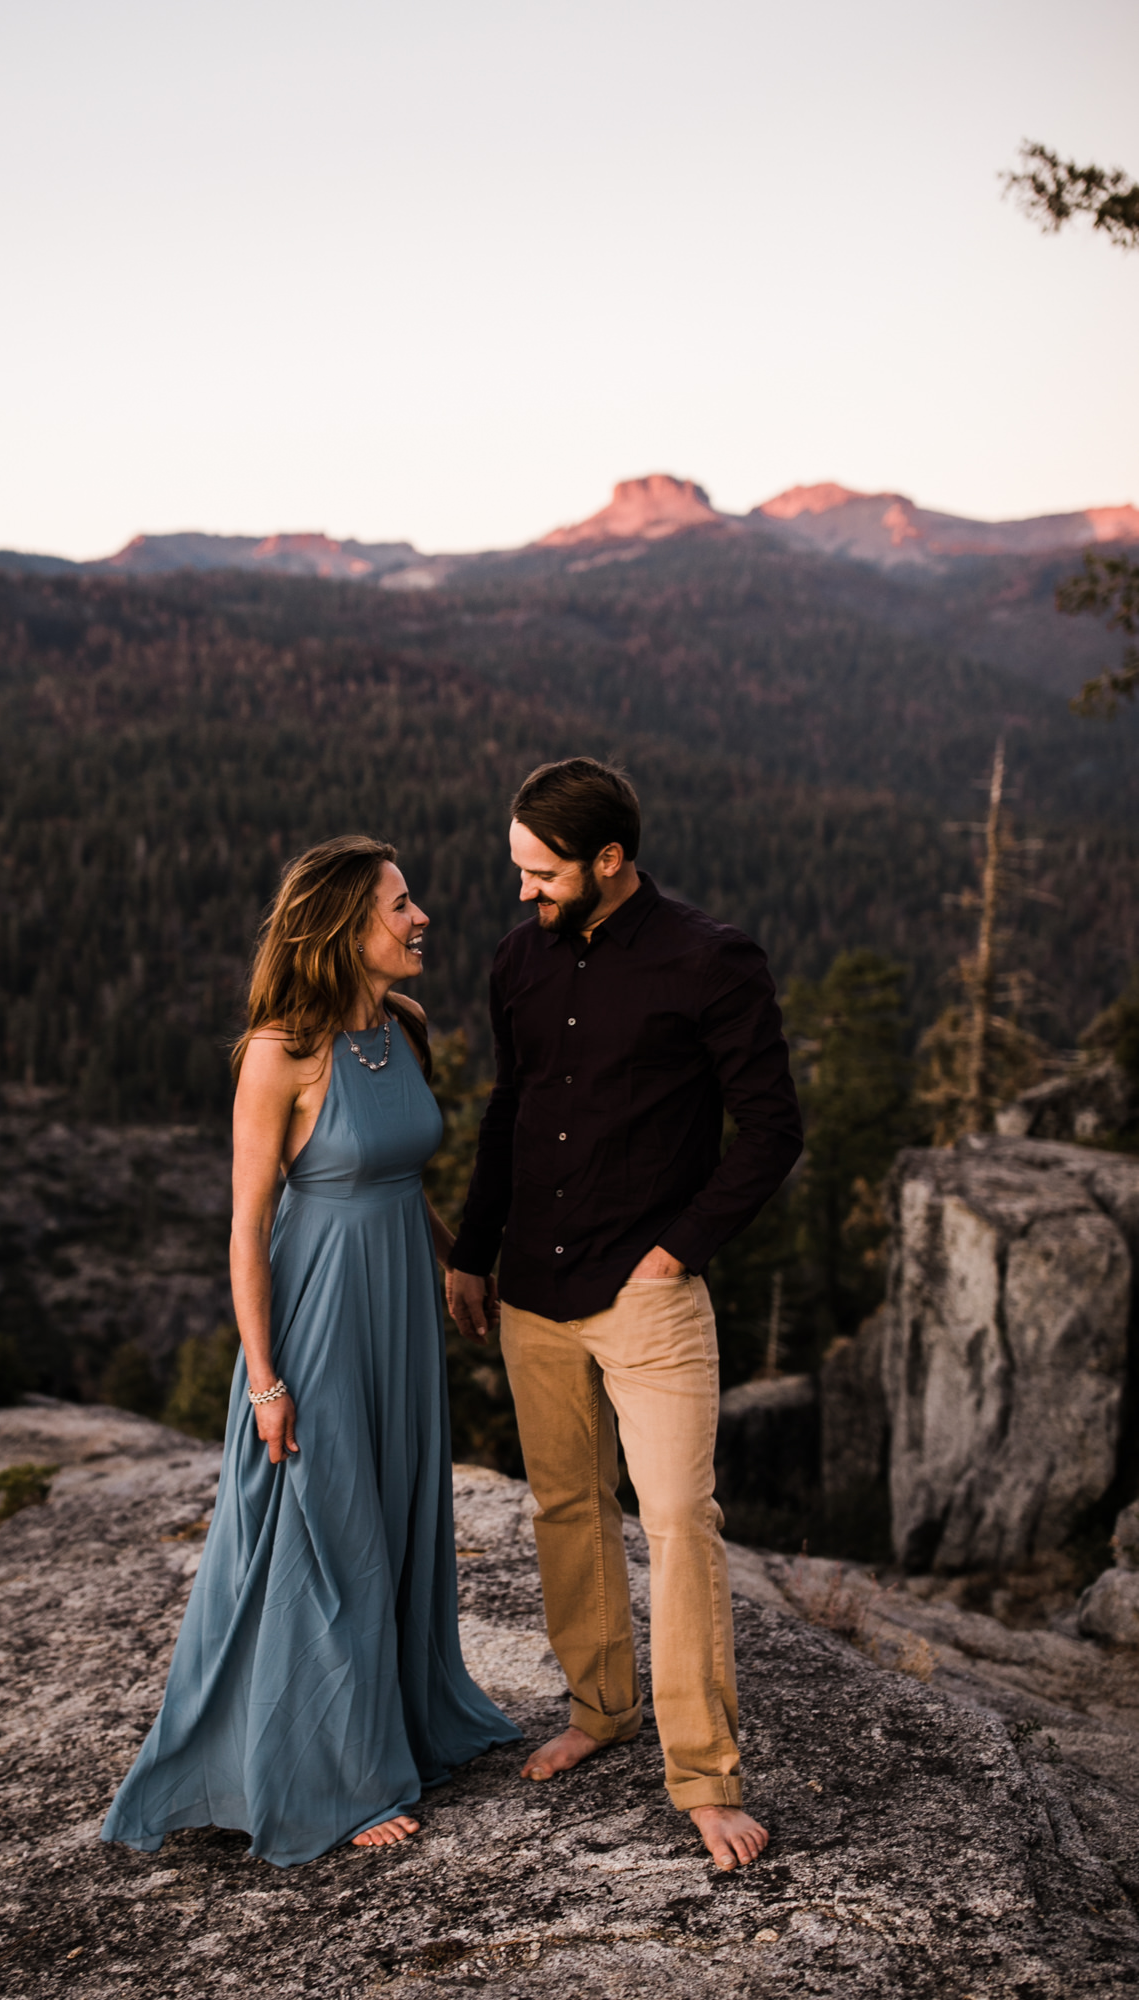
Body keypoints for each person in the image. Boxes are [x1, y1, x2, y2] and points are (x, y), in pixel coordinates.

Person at [102, 835, 519, 1867]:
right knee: (330, 1535)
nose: (420, 916)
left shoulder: (404, 1025)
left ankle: (402, 1722)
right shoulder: (276, 1051)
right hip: (318, 1314)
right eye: (400, 903)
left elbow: (394, 1177)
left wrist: (458, 1263)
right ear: (344, 927)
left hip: (400, 1312)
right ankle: (330, 1772)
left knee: (397, 1510)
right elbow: (246, 1226)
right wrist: (266, 1379)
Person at [446, 759, 803, 1873]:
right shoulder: (518, 956)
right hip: (533, 1292)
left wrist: (673, 1251)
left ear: (609, 860)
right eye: (517, 870)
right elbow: (511, 1106)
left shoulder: (709, 957)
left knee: (679, 1520)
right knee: (563, 1504)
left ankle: (703, 1773)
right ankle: (600, 1708)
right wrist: (469, 1250)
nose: (522, 892)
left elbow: (772, 1128)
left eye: (540, 872)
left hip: (646, 1297)